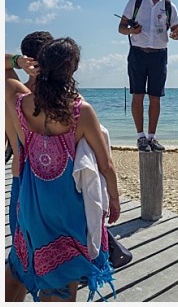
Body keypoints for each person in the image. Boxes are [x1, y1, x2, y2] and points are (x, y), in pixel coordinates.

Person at [4, 37, 121, 301]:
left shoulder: (19, 103)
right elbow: (106, 165)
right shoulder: (81, 112)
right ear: (72, 70)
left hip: (32, 209)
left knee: (24, 268)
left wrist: (17, 63)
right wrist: (113, 200)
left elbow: (5, 71)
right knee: (62, 288)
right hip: (69, 212)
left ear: (40, 66)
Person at [4, 32, 52, 302]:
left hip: (21, 181)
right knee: (48, 263)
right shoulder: (37, 98)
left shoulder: (11, 88)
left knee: (20, 260)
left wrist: (15, 62)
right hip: (43, 184)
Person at [117, 0, 178, 152]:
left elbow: (176, 28)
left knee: (155, 98)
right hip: (137, 52)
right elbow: (121, 27)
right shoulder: (135, 2)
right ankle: (140, 137)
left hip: (159, 55)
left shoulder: (169, 6)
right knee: (138, 96)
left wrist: (176, 33)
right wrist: (131, 30)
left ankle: (152, 137)